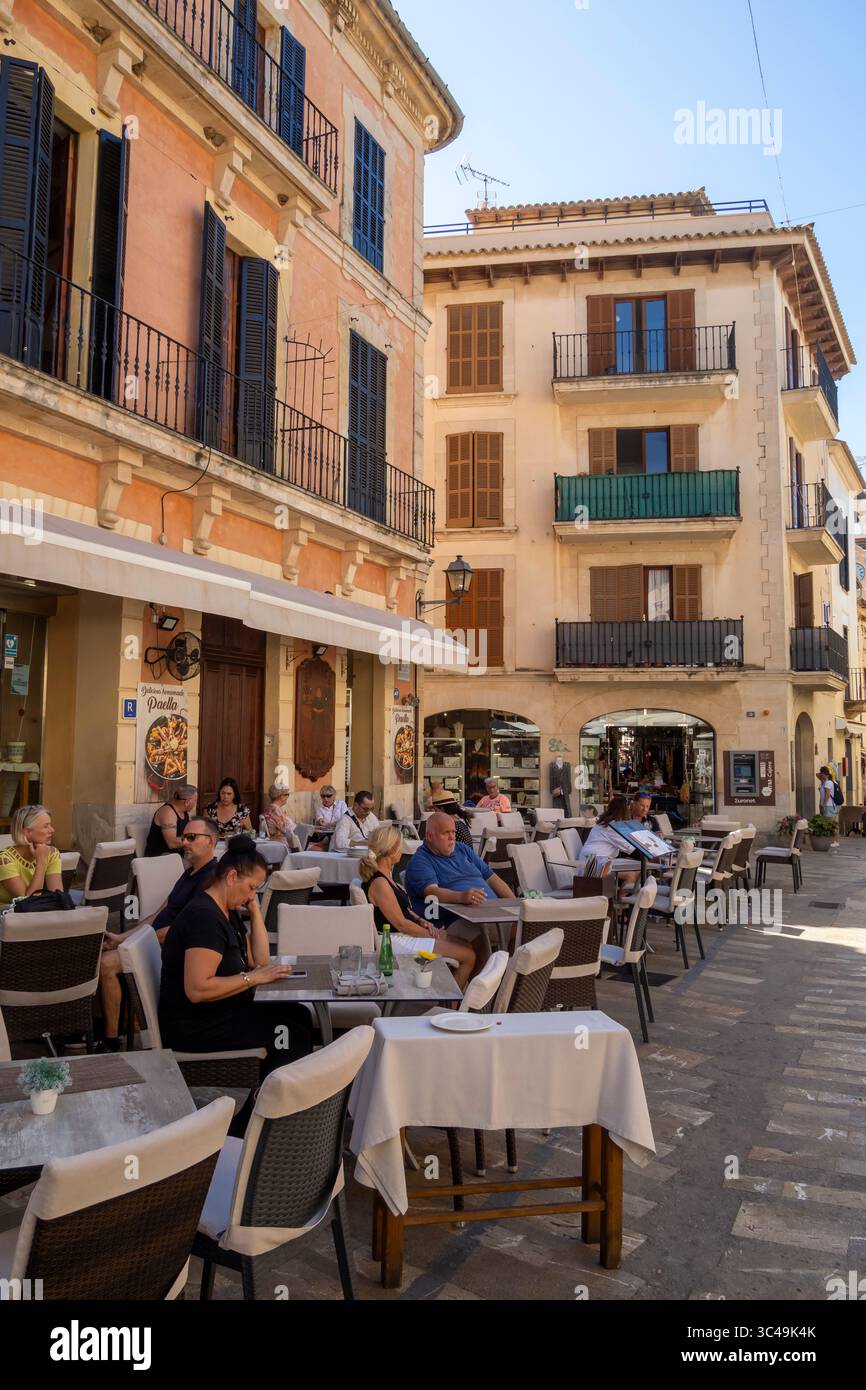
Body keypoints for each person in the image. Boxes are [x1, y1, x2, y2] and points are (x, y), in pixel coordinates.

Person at [158, 836, 312, 1070]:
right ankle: (273, 1099)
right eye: (251, 888)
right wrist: (253, 979)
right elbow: (197, 989)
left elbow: (258, 960)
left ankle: (280, 1091)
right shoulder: (204, 918)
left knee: (299, 1015)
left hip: (222, 1011)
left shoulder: (226, 911)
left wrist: (255, 910)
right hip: (196, 1026)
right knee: (290, 1033)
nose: (252, 895)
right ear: (231, 877)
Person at [97, 816, 220, 1052]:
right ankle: (117, 1025)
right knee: (100, 953)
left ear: (211, 841)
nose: (185, 842)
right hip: (150, 941)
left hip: (168, 948)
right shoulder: (190, 874)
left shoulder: (210, 879)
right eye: (184, 837)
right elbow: (158, 914)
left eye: (192, 837)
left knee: (107, 964)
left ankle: (110, 1042)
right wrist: (123, 938)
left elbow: (182, 930)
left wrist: (134, 942)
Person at [360, 827, 477, 989]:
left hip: (404, 934)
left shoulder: (386, 876)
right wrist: (432, 935)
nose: (402, 849)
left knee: (468, 946)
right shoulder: (380, 883)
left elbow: (405, 910)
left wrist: (421, 920)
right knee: (468, 956)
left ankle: (447, 993)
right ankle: (452, 1007)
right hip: (395, 940)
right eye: (400, 845)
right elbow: (401, 924)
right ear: (391, 850)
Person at [404, 811, 515, 936]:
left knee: (526, 925)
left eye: (453, 832)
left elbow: (492, 878)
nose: (452, 837)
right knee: (506, 933)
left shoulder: (462, 849)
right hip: (458, 920)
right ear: (430, 836)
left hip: (492, 914)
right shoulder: (421, 860)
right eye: (446, 833)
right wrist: (462, 897)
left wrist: (516, 904)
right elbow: (432, 892)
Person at [0, 805, 63, 905]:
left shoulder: (52, 853)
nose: (52, 830)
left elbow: (58, 896)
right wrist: (41, 861)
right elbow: (27, 902)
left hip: (34, 914)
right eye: (46, 826)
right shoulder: (5, 860)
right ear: (27, 832)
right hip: (5, 915)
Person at [582, 796, 640, 887]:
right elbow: (631, 848)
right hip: (593, 864)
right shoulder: (612, 827)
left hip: (598, 860)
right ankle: (621, 899)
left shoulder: (606, 823)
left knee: (638, 871)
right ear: (625, 811)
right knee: (631, 875)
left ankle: (623, 897)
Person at [144, 784, 198, 857]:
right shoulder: (168, 812)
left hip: (175, 855)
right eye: (195, 801)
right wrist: (196, 839)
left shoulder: (184, 812)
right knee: (198, 863)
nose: (195, 804)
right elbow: (172, 843)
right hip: (159, 857)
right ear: (187, 802)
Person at [817, 766, 840, 847]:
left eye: (822, 774)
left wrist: (824, 804)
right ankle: (834, 840)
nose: (820, 775)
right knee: (832, 824)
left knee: (831, 824)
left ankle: (834, 841)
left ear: (825, 774)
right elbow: (817, 775)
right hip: (831, 806)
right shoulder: (828, 781)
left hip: (829, 806)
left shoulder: (827, 783)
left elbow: (827, 794)